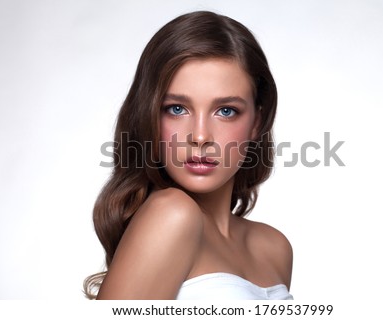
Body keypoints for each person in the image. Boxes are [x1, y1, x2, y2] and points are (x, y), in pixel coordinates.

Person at [84, 10, 293, 300]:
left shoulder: (274, 248)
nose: (200, 136)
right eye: (177, 109)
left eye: (226, 111)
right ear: (148, 116)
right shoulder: (172, 214)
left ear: (257, 122)